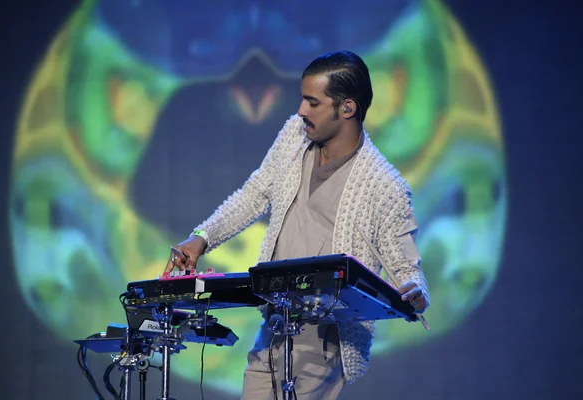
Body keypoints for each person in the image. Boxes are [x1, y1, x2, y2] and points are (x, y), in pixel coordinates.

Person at [165, 50, 429, 399]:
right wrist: (202, 237)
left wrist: (415, 289)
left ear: (347, 108)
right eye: (302, 100)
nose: (301, 110)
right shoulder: (295, 136)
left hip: (324, 340)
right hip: (275, 324)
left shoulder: (384, 186)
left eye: (312, 102)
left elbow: (406, 268)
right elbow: (255, 193)